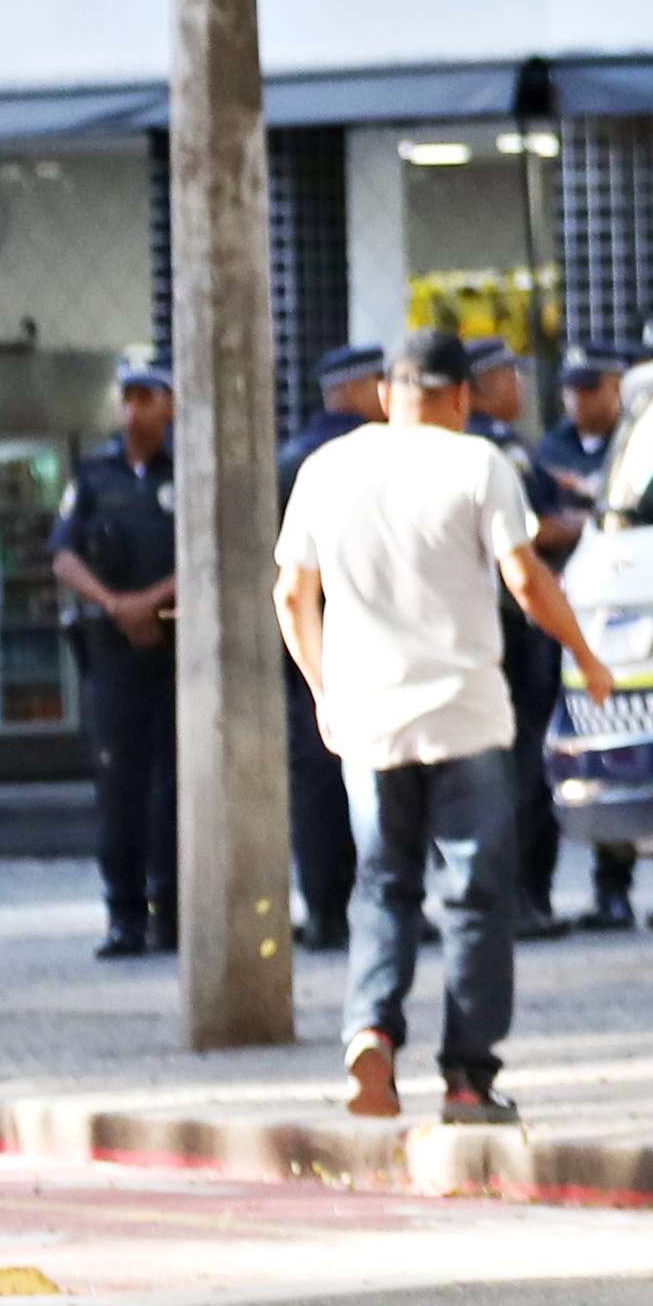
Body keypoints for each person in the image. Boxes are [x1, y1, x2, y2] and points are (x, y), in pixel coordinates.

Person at [281, 325, 615, 1125]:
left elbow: (292, 596)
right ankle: (467, 1078)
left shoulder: (328, 468)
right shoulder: (480, 463)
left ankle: (369, 1030)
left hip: (370, 722)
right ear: (462, 397)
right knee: (474, 896)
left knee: (383, 887)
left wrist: (328, 692)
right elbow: (526, 581)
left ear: (388, 394)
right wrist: (586, 657)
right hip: (465, 717)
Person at [49, 360, 183, 960]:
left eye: (148, 397)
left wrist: (150, 604)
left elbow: (211, 548)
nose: (135, 409)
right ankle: (124, 913)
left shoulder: (189, 471)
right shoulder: (95, 475)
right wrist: (116, 605)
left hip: (179, 643)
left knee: (179, 785)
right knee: (121, 785)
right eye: (128, 397)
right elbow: (63, 556)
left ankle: (177, 910)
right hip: (113, 649)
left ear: (170, 406)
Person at [464, 336, 581, 937]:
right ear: (482, 384)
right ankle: (519, 895)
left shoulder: (490, 442)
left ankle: (519, 894)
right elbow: (526, 535)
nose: (519, 387)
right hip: (515, 623)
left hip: (499, 624)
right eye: (510, 375)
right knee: (520, 762)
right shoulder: (494, 445)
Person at [280, 340, 384, 950]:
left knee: (316, 778)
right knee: (374, 775)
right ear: (355, 388)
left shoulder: (292, 457)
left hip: (302, 640)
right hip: (365, 635)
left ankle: (324, 909)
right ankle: (377, 902)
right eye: (378, 382)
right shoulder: (362, 457)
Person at [531, 351, 639, 932]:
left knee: (610, 745)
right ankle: (539, 891)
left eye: (588, 388)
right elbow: (540, 522)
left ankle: (613, 888)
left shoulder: (634, 437)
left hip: (618, 616)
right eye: (569, 389)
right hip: (560, 614)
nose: (577, 400)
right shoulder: (552, 448)